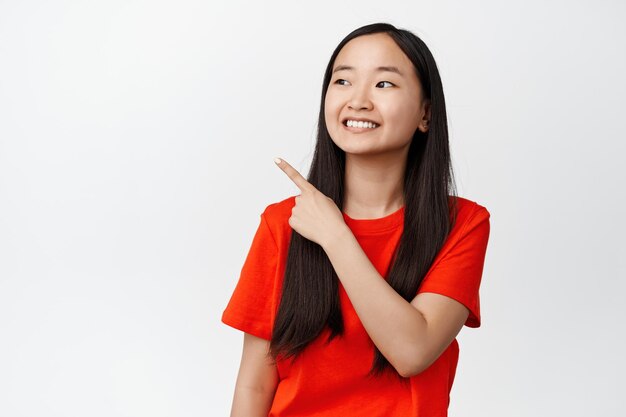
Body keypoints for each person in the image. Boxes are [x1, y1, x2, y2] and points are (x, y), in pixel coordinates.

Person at [221, 22, 491, 416]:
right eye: (343, 81)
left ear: (426, 114)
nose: (358, 101)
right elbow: (254, 383)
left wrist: (336, 236)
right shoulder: (284, 223)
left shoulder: (463, 223)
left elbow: (413, 350)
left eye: (384, 84)